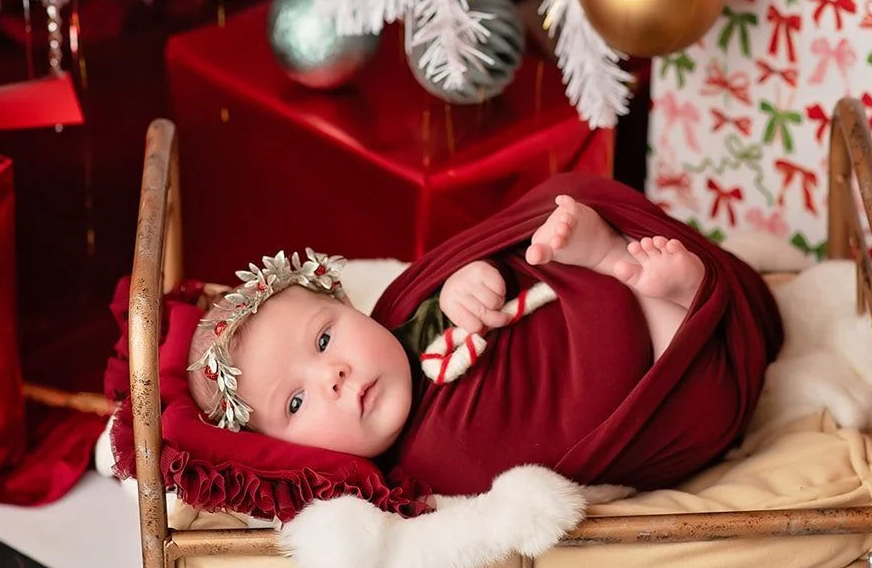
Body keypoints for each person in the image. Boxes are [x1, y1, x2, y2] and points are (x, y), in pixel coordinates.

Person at [187, 173, 783, 496]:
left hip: (556, 309)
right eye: (296, 402)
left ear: (349, 306)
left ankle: (624, 265)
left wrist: (468, 280)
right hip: (642, 390)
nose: (333, 376)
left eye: (324, 341)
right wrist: (590, 285)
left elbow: (477, 270)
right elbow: (574, 427)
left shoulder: (400, 313)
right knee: (683, 394)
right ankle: (663, 292)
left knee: (554, 208)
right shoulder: (435, 462)